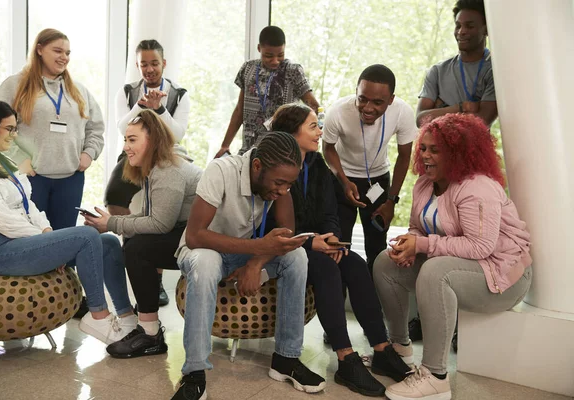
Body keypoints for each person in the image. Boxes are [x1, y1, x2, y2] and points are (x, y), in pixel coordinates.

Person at [374, 113, 532, 400]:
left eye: (436, 150)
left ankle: (435, 377)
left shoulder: (477, 187)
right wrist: (409, 245)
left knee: (436, 271)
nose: (426, 155)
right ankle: (399, 350)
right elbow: (417, 227)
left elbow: (479, 247)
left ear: (458, 153)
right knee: (385, 263)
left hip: (502, 275)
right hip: (458, 264)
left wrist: (421, 245)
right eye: (424, 147)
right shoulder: (425, 182)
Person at [271, 103, 412, 397]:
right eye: (313, 126)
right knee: (325, 268)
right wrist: (312, 242)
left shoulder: (317, 163)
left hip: (318, 242)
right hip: (283, 248)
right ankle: (346, 359)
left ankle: (381, 349)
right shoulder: (274, 167)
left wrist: (333, 237)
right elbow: (272, 224)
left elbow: (330, 209)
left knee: (356, 264)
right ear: (290, 133)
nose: (320, 132)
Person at [171, 132, 325, 400]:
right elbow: (196, 235)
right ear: (257, 167)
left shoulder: (280, 181)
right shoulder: (220, 170)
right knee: (206, 262)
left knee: (296, 256)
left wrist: (255, 264)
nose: (282, 191)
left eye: (289, 185)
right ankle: (194, 373)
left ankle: (285, 360)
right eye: (279, 183)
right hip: (202, 252)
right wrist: (258, 249)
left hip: (243, 252)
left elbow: (286, 235)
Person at [0, 98, 134, 345]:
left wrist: (47, 230)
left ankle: (127, 319)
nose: (14, 135)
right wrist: (44, 240)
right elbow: (0, 218)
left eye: (15, 129)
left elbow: (30, 207)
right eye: (9, 129)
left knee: (108, 242)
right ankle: (98, 317)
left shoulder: (4, 161)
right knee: (87, 236)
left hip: (23, 241)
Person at [83, 109, 202, 359]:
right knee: (136, 243)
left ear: (154, 140)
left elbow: (159, 224)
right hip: (189, 231)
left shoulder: (168, 170)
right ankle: (147, 327)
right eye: (125, 139)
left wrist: (112, 224)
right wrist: (112, 221)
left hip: (204, 239)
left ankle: (150, 334)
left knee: (137, 249)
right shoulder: (156, 167)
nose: (126, 146)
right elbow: (151, 216)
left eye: (132, 139)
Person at [105, 39, 191, 306]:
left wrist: (160, 109)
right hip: (134, 154)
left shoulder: (179, 94)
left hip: (167, 154)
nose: (150, 69)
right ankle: (132, 252)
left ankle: (154, 273)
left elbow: (177, 133)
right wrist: (141, 105)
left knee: (158, 207)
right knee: (114, 195)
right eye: (144, 64)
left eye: (154, 63)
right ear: (137, 65)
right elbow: (123, 128)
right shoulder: (127, 91)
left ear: (164, 63)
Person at [0, 28, 105, 230]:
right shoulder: (15, 85)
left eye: (68, 53)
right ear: (39, 50)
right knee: (34, 241)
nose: (64, 57)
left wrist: (89, 154)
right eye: (58, 51)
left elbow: (96, 128)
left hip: (70, 180)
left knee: (65, 243)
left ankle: (67, 264)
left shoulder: (79, 90)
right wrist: (18, 159)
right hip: (32, 178)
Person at [322, 64, 417, 273]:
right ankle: (338, 301)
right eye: (362, 98)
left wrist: (391, 200)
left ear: (391, 100)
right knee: (339, 245)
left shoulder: (402, 112)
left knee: (377, 245)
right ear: (356, 91)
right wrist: (344, 181)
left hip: (378, 182)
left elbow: (404, 157)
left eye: (378, 102)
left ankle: (373, 302)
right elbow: (327, 149)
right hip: (341, 179)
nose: (367, 107)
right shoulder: (338, 111)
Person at [215, 25, 319, 157]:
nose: (275, 61)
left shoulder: (293, 71)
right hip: (250, 149)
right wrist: (225, 145)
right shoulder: (248, 69)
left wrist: (313, 133)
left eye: (280, 55)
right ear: (259, 48)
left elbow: (313, 106)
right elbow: (239, 111)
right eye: (269, 56)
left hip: (283, 150)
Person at [416, 0, 497, 128]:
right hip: (437, 148)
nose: (461, 32)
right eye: (458, 25)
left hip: (474, 148)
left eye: (469, 26)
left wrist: (441, 109)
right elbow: (421, 120)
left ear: (486, 29)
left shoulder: (495, 71)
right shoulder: (438, 71)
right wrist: (461, 107)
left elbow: (481, 123)